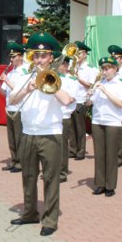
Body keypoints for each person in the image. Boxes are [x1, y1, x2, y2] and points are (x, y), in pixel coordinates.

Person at [9, 32, 73, 236]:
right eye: (36, 56)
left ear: (51, 58)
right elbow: (12, 100)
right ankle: (29, 213)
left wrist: (49, 83)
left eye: (43, 56)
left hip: (50, 134)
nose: (39, 60)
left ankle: (50, 220)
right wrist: (27, 89)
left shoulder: (60, 78)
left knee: (50, 178)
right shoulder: (24, 77)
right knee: (28, 176)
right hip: (28, 133)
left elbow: (67, 101)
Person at [86, 56, 122, 197]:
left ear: (115, 69)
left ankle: (110, 186)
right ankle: (100, 184)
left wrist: (105, 91)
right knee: (99, 154)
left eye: (108, 68)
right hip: (98, 121)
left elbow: (121, 103)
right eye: (103, 69)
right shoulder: (99, 82)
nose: (105, 72)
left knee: (111, 155)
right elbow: (89, 104)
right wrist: (88, 96)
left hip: (112, 122)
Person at [0, 42, 28, 173]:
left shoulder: (24, 71)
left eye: (14, 56)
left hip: (20, 109)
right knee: (11, 138)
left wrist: (7, 81)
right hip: (10, 108)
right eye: (10, 57)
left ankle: (21, 163)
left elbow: (20, 89)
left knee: (19, 137)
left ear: (21, 57)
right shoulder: (11, 72)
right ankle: (14, 160)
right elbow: (5, 92)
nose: (11, 59)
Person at [69, 41, 98, 160]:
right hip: (71, 99)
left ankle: (81, 150)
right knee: (71, 127)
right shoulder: (73, 66)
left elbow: (90, 85)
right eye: (75, 53)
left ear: (85, 54)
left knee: (80, 127)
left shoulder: (91, 69)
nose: (77, 56)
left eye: (79, 53)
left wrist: (78, 78)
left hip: (81, 99)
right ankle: (72, 149)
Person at [57, 55, 78, 183]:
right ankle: (52, 170)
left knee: (62, 146)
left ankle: (61, 172)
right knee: (52, 145)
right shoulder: (52, 78)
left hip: (64, 115)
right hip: (52, 116)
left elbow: (70, 99)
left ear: (65, 65)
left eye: (58, 64)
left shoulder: (72, 80)